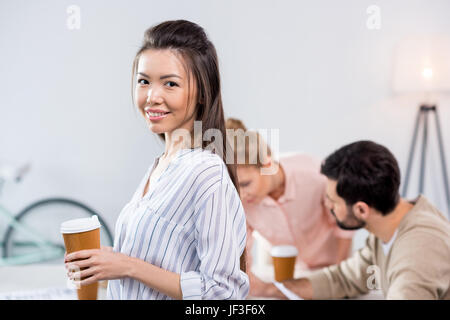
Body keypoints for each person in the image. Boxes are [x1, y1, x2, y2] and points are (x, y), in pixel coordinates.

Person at [65, 20, 249, 300]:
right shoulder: (161, 165)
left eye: (170, 84)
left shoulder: (205, 171)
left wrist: (128, 266)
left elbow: (222, 292)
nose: (152, 97)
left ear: (201, 93)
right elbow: (165, 259)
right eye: (144, 81)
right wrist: (109, 260)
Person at [260, 140, 450, 299]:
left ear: (361, 209)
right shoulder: (386, 229)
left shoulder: (419, 251)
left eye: (333, 201)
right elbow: (344, 279)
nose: (327, 205)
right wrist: (272, 289)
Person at [225, 118, 354, 297]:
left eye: (245, 184)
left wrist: (340, 277)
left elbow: (344, 226)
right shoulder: (241, 201)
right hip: (285, 269)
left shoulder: (314, 174)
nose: (241, 195)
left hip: (331, 264)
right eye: (234, 187)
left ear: (268, 165)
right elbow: (241, 249)